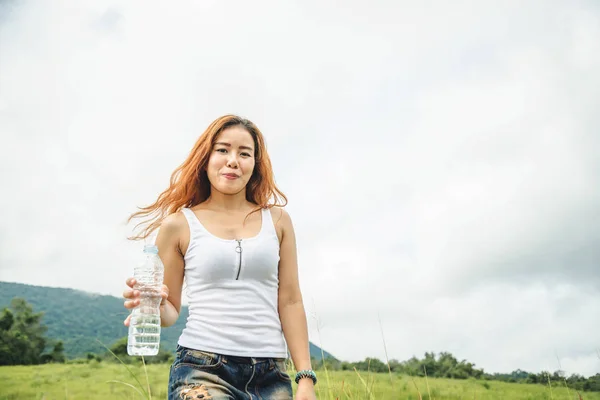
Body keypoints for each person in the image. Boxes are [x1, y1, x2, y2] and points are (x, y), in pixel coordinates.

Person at [122, 115, 317, 400]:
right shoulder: (178, 225)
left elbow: (290, 300)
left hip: (271, 373)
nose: (233, 160)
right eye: (222, 150)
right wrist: (153, 304)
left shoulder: (278, 221)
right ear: (206, 157)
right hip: (202, 368)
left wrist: (305, 377)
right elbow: (171, 311)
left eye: (244, 153)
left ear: (255, 164)